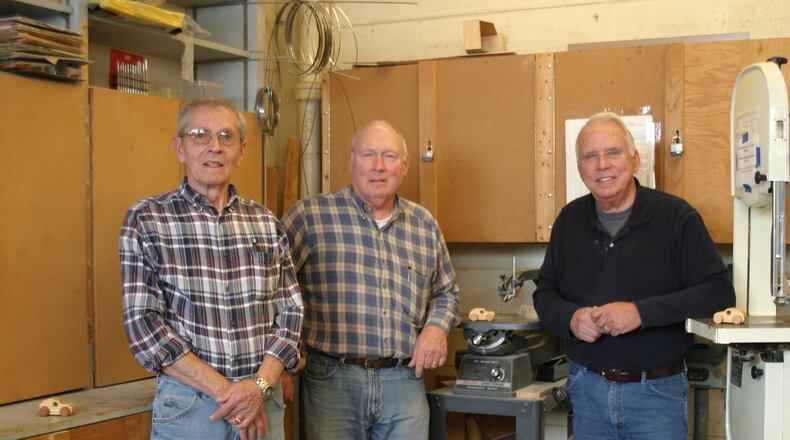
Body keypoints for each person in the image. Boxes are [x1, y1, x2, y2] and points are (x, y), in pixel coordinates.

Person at [533, 112, 735, 439]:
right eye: (590, 156)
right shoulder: (569, 221)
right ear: (580, 167)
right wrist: (571, 318)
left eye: (613, 152)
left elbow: (718, 293)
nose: (602, 164)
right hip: (587, 390)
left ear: (635, 158)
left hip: (656, 394)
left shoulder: (676, 218)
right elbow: (545, 294)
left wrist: (641, 313)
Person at [120, 98, 303, 440]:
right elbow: (143, 327)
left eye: (226, 136)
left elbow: (291, 313)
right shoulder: (147, 221)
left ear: (242, 151)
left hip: (263, 403)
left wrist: (260, 386)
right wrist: (236, 395)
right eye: (200, 135)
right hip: (191, 407)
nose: (214, 147)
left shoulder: (266, 223)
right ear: (180, 147)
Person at [281, 120, 461, 439]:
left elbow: (446, 292)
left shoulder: (423, 225)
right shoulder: (309, 218)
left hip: (404, 380)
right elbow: (273, 291)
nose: (378, 167)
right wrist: (279, 364)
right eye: (368, 155)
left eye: (389, 156)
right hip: (333, 380)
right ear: (351, 162)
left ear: (404, 166)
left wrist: (436, 327)